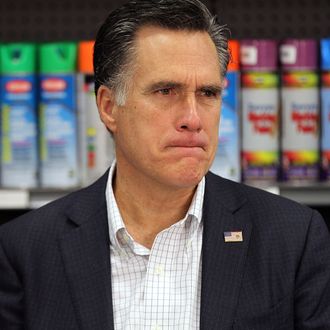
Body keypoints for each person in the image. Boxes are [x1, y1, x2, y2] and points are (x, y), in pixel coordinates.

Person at [1, 0, 330, 329]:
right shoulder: (24, 251)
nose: (192, 118)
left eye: (208, 93)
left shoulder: (293, 239)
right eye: (165, 91)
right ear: (109, 106)